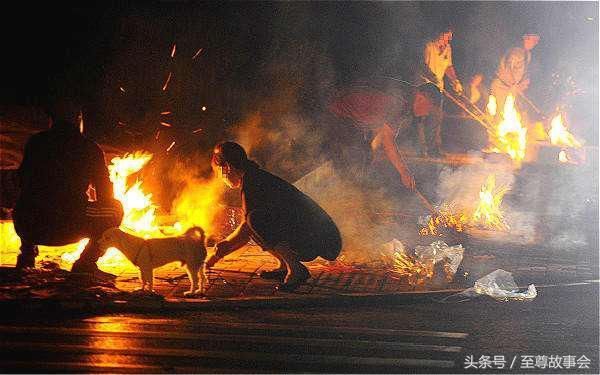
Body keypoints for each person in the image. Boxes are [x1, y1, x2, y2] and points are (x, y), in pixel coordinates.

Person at [205, 142, 342, 291]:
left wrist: (219, 252)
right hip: (315, 235)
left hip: (320, 239)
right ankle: (284, 265)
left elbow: (246, 229)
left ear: (228, 167)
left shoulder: (253, 182)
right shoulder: (254, 177)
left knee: (255, 220)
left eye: (220, 172)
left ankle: (296, 269)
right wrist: (224, 247)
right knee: (253, 222)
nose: (221, 178)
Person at [12, 99, 123, 278]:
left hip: (31, 226)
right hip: (71, 225)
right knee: (115, 209)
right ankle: (86, 263)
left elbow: (22, 181)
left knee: (24, 203)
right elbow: (105, 195)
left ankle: (27, 255)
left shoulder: (35, 143)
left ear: (52, 120)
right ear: (78, 120)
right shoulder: (89, 148)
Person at [328, 87, 416, 191]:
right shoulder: (400, 107)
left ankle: (353, 187)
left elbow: (380, 133)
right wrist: (404, 172)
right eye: (430, 109)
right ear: (421, 98)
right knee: (356, 156)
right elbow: (387, 140)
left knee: (364, 155)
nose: (427, 113)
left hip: (350, 120)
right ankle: (345, 189)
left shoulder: (401, 104)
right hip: (340, 115)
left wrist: (372, 151)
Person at [413, 27, 463, 158]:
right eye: (447, 36)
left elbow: (448, 66)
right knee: (422, 118)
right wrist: (432, 76)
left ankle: (434, 148)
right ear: (440, 34)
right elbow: (422, 65)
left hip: (437, 87)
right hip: (423, 85)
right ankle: (422, 149)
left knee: (436, 119)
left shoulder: (447, 49)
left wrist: (455, 81)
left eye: (450, 37)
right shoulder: (428, 46)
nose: (449, 39)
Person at [490, 33, 540, 114]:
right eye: (533, 39)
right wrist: (514, 83)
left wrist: (524, 81)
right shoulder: (515, 51)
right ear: (525, 38)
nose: (535, 42)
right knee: (497, 114)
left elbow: (523, 71)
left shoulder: (528, 54)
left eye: (537, 41)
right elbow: (508, 68)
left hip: (511, 89)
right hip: (501, 86)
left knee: (507, 114)